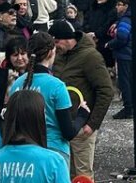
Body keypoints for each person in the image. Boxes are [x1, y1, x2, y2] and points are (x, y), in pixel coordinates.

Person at [51, 19, 115, 183]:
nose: (54, 46)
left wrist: (92, 124)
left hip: (82, 127)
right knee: (64, 175)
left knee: (84, 176)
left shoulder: (90, 57)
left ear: (67, 39)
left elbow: (106, 91)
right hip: (62, 126)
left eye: (56, 41)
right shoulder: (58, 56)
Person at [8, 32, 84, 162]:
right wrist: (82, 114)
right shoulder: (57, 86)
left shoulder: (17, 84)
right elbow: (68, 132)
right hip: (54, 151)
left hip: (24, 151)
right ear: (50, 53)